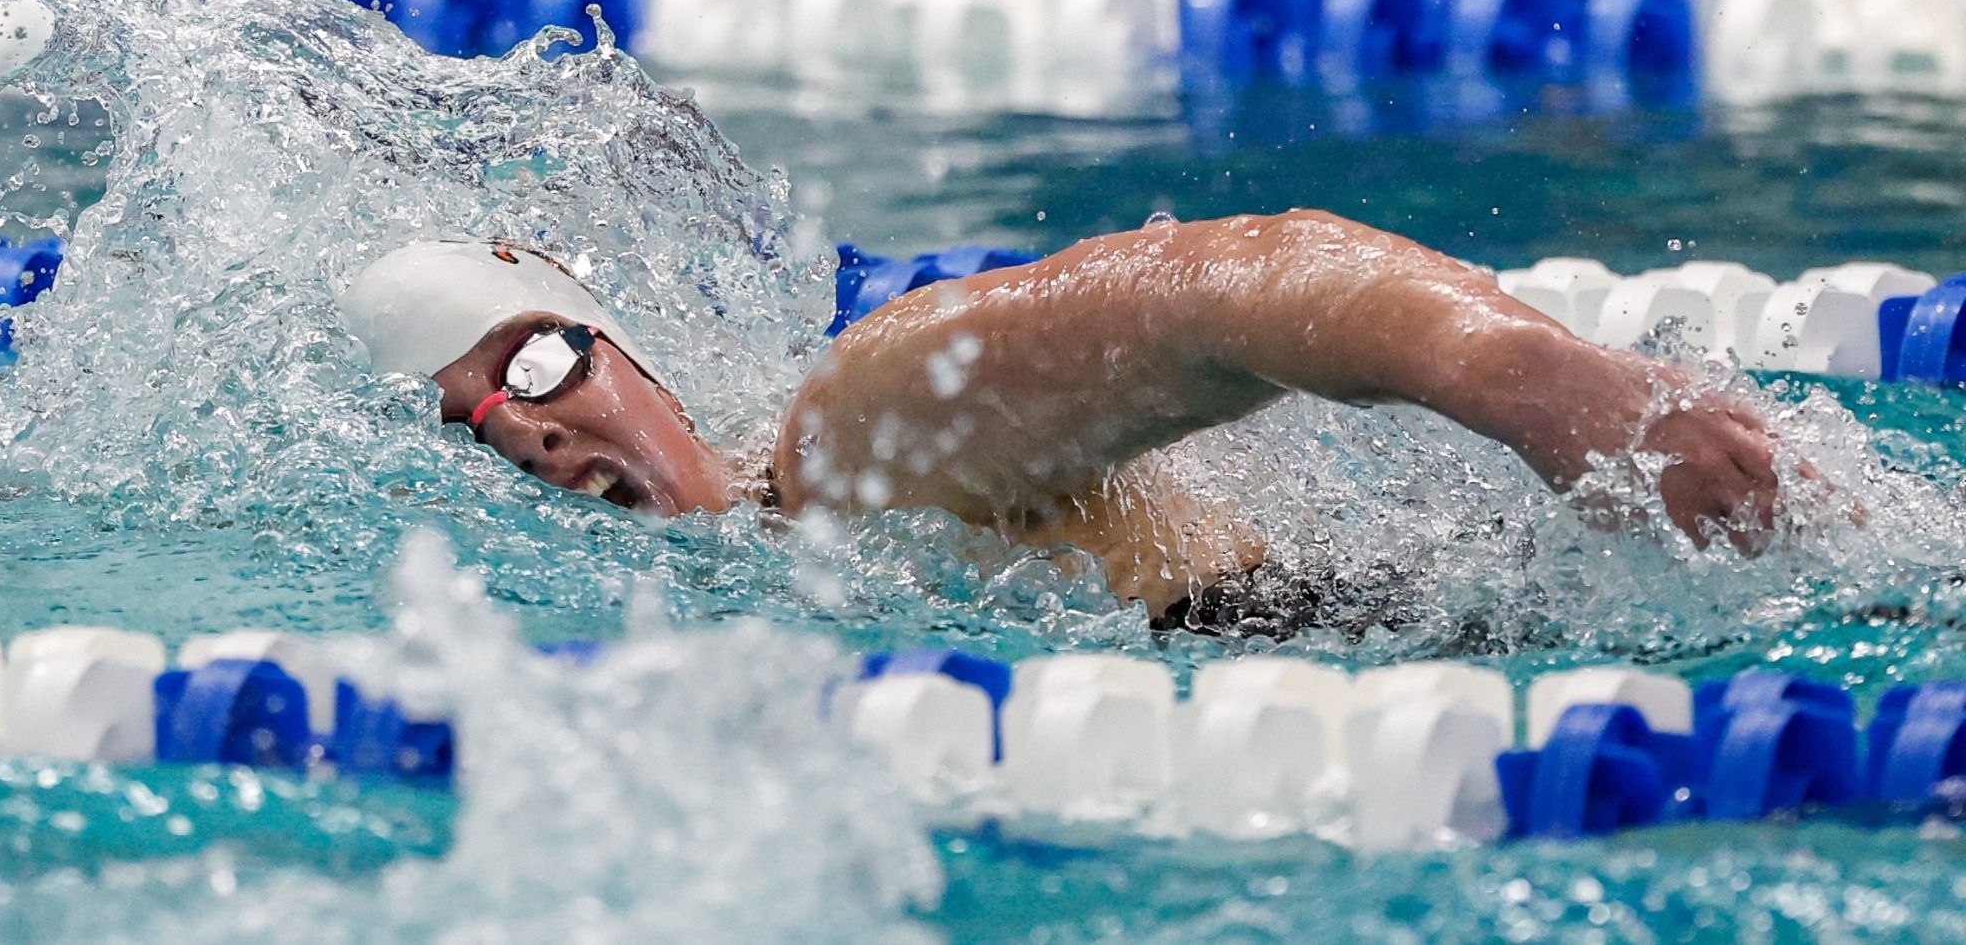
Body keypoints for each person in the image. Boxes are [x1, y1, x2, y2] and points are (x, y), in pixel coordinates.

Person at [338, 211, 1788, 636]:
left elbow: (1220, 285)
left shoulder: (856, 439)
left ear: (620, 346)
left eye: (530, 372)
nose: (521, 433)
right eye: (472, 423)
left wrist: (1545, 386)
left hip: (1410, 643)